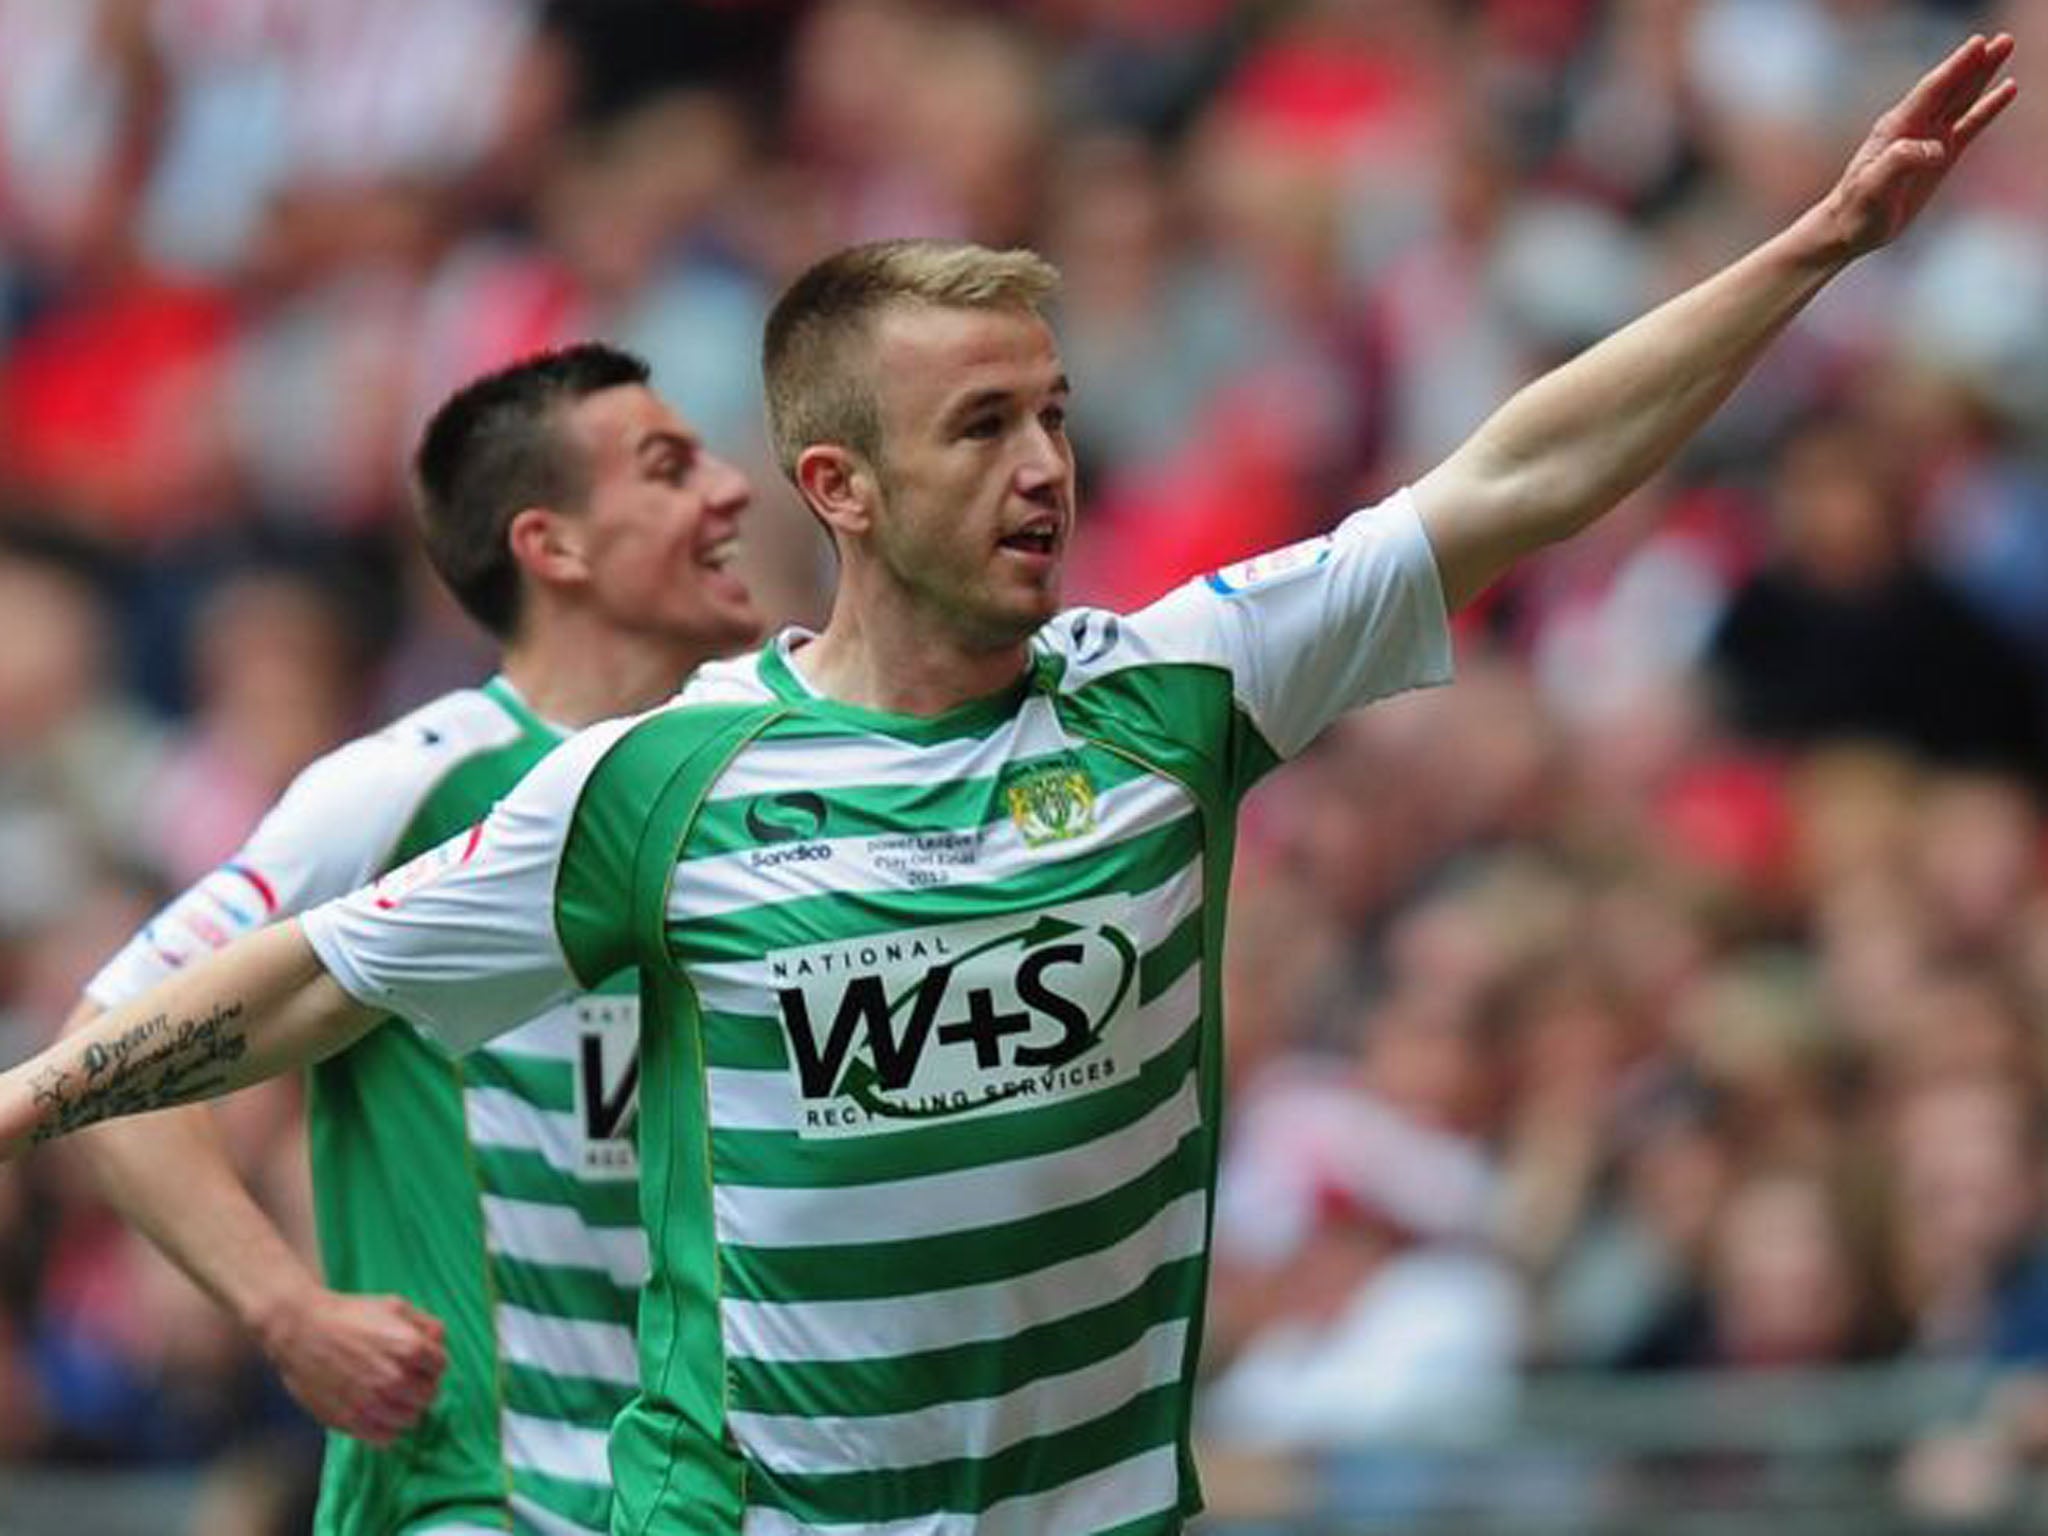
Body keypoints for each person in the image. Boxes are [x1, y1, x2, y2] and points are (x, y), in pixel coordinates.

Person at [0, 33, 2017, 1536]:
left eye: (1054, 413)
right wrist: (19, 1109)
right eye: (982, 426)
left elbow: (1516, 477)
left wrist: (1822, 243)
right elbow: (293, 989)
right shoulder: (657, 792)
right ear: (843, 491)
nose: (1046, 465)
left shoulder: (1173, 693)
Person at [55, 342, 762, 1536]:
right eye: (668, 468)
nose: (731, 489)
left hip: (727, 1505)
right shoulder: (401, 789)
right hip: (482, 1498)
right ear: (554, 546)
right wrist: (285, 1309)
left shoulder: (770, 771)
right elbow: (107, 1053)